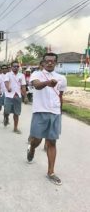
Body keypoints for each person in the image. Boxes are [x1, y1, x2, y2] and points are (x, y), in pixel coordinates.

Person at [27, 52, 67, 186]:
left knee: (52, 142)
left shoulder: (61, 78)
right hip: (40, 111)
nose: (50, 63)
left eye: (52, 61)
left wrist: (60, 111)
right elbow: (37, 86)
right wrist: (48, 83)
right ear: (43, 63)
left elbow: (60, 96)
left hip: (55, 113)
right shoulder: (36, 74)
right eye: (47, 61)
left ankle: (51, 172)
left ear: (56, 63)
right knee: (37, 140)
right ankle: (32, 148)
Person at [3, 60, 28, 134]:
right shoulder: (8, 74)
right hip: (9, 96)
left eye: (17, 66)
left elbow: (23, 86)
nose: (16, 68)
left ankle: (15, 128)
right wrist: (8, 88)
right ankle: (6, 118)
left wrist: (25, 96)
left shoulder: (22, 75)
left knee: (16, 113)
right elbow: (6, 82)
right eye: (14, 66)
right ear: (11, 67)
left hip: (18, 96)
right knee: (7, 110)